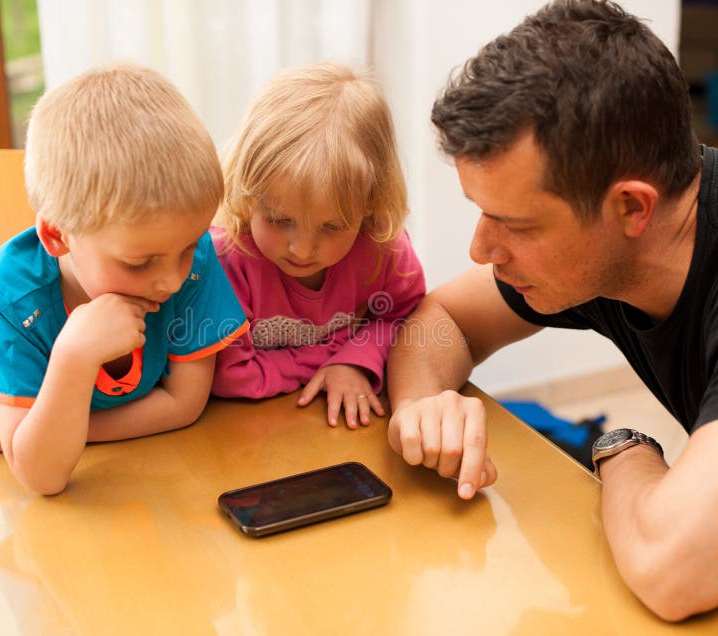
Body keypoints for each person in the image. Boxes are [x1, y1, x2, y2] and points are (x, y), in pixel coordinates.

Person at [387, 0, 718, 621]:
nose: (481, 248)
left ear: (630, 209)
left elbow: (673, 568)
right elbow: (443, 320)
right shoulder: (625, 248)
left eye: (514, 224)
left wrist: (623, 448)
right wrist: (421, 405)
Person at [0, 64, 248, 495]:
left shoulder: (192, 257)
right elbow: (42, 476)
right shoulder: (3, 297)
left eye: (187, 246)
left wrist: (36, 437)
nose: (171, 280)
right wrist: (73, 357)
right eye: (138, 262)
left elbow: (184, 406)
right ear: (57, 235)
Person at [211, 62, 425, 428]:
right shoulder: (226, 257)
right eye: (280, 221)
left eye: (332, 226)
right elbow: (232, 376)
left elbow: (406, 316)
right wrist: (330, 356)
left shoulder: (382, 246)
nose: (303, 250)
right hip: (240, 434)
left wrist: (354, 359)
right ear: (246, 193)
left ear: (370, 204)